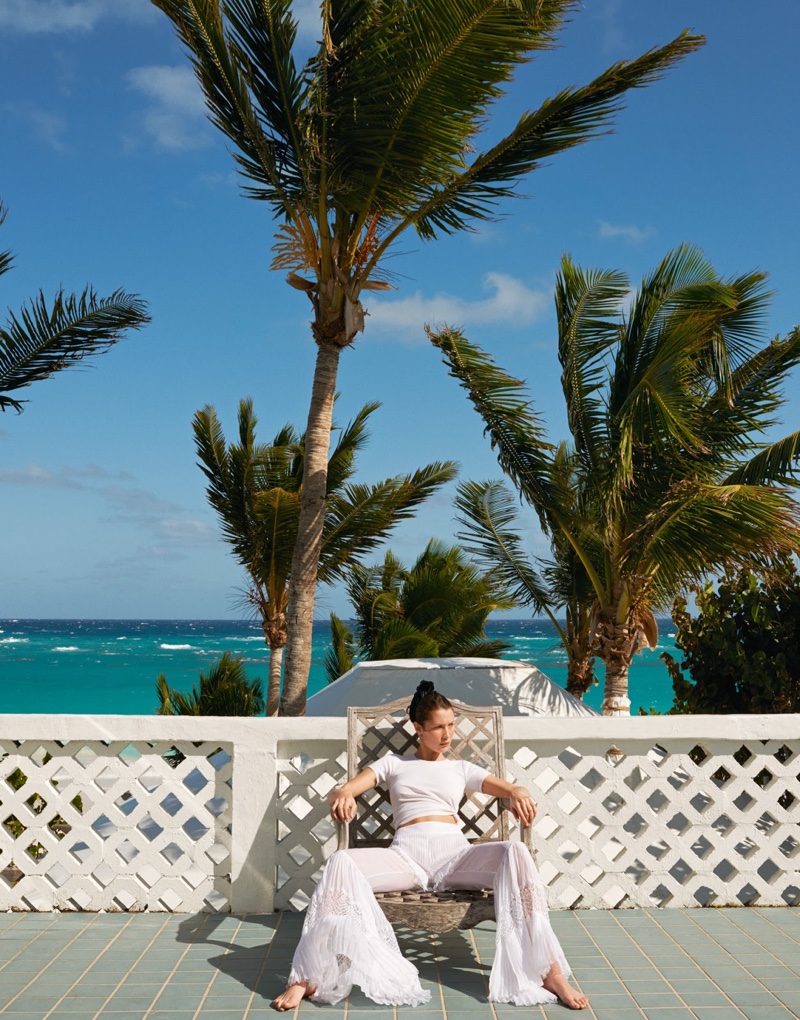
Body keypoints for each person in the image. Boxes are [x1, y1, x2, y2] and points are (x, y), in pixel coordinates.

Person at [272, 681, 588, 1011]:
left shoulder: (460, 768)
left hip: (455, 857)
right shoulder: (394, 763)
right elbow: (343, 790)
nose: (447, 734)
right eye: (438, 727)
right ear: (418, 728)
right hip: (405, 857)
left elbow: (507, 788)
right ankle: (306, 978)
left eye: (451, 725)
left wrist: (518, 791)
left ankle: (550, 973)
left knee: (516, 851)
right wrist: (343, 796)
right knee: (340, 862)